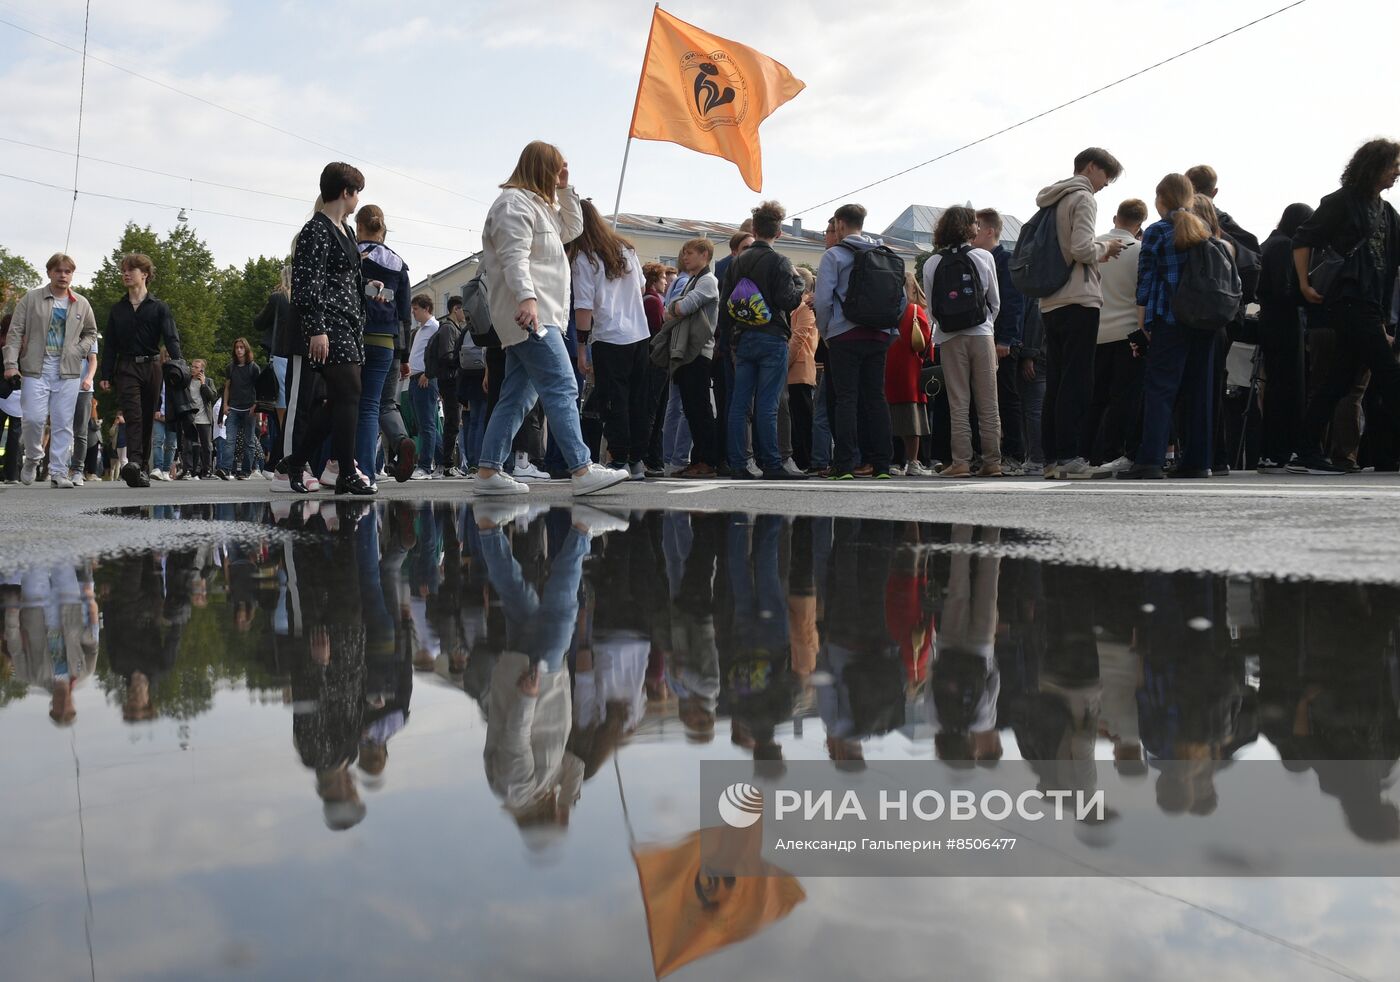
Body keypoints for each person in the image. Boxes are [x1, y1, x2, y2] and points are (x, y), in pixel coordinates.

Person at [473, 140, 628, 498]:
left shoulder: (535, 205)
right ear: (542, 167)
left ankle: (488, 470)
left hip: (535, 314)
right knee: (562, 385)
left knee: (516, 396)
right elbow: (514, 256)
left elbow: (571, 229)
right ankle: (581, 468)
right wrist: (527, 299)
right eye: (556, 168)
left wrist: (566, 188)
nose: (559, 173)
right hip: (532, 313)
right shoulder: (513, 204)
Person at [1288, 138, 1400, 475]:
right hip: (1348, 300)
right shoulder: (1340, 202)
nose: (1397, 172)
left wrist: (1382, 317)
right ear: (1375, 166)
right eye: (1393, 165)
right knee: (1389, 374)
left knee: (1339, 380)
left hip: (1369, 306)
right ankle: (1307, 449)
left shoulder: (1388, 212)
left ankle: (1305, 449)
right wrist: (1305, 283)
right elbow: (1303, 238)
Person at [1119, 175, 1228, 480]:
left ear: (1161, 199)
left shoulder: (1158, 231)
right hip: (1204, 321)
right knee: (1200, 392)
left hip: (1169, 319)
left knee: (1160, 390)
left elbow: (1147, 278)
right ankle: (1198, 461)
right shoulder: (1204, 229)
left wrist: (1143, 318)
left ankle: (1150, 460)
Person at [282, 161, 375, 495]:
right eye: (357, 193)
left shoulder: (345, 230)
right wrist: (317, 328)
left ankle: (295, 463)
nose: (358, 200)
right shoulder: (316, 231)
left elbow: (343, 277)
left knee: (338, 400)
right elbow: (308, 284)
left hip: (349, 322)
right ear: (345, 192)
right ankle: (346, 471)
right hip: (330, 322)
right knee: (349, 391)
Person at [1036, 147, 1126, 479]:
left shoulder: (1052, 198)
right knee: (1077, 381)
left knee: (1056, 382)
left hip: (1051, 299)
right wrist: (1107, 248)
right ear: (1091, 168)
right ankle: (1070, 457)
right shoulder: (1084, 198)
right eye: (1106, 176)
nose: (1106, 184)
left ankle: (1051, 459)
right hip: (1079, 297)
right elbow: (1082, 249)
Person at [815, 203, 902, 480]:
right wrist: (890, 331)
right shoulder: (883, 253)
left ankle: (845, 465)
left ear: (839, 224)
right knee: (876, 398)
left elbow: (823, 300)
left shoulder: (834, 256)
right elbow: (901, 299)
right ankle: (882, 465)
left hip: (845, 334)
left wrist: (826, 331)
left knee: (846, 400)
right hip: (879, 333)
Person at [719, 200, 806, 480]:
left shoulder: (737, 262)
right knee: (768, 403)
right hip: (771, 337)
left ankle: (739, 463)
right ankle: (771, 462)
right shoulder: (779, 261)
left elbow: (725, 304)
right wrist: (800, 284)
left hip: (742, 338)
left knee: (740, 402)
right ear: (778, 233)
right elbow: (787, 300)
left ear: (754, 229)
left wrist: (727, 342)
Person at [569, 199, 652, 479]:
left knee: (613, 401)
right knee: (638, 399)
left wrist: (581, 348)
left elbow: (583, 308)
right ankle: (638, 459)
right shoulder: (626, 249)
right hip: (639, 334)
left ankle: (619, 458)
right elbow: (641, 287)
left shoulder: (584, 258)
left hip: (608, 336)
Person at [3, 253, 99, 489]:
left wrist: (79, 350)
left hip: (67, 371)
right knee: (33, 419)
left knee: (63, 422)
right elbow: (15, 332)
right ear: (49, 273)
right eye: (58, 271)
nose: (63, 275)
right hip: (36, 368)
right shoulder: (32, 298)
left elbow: (91, 333)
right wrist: (11, 364)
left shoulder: (81, 303)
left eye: (67, 271)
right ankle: (34, 458)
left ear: (72, 275)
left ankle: (58, 470)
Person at [922, 206, 1002, 478]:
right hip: (981, 335)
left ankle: (961, 462)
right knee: (988, 401)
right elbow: (994, 301)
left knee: (959, 402)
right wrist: (985, 323)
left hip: (950, 338)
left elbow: (931, 308)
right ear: (969, 228)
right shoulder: (983, 256)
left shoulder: (932, 263)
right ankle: (992, 461)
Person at [98, 253, 182, 488]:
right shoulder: (118, 309)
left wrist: (180, 365)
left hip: (153, 366)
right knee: (133, 415)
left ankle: (141, 468)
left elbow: (171, 338)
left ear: (144, 274)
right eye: (123, 270)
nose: (125, 273)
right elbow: (111, 344)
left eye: (131, 269)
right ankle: (134, 463)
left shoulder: (159, 307)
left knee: (146, 417)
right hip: (126, 367)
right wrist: (105, 374)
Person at [355, 205, 417, 485]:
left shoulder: (353, 255)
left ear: (358, 226)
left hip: (356, 337)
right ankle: (402, 440)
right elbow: (405, 313)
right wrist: (404, 355)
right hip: (389, 341)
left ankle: (361, 468)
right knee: (386, 403)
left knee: (361, 405)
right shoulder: (398, 263)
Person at [1254, 203, 1315, 472]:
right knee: (1288, 389)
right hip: (1285, 324)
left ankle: (1272, 450)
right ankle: (1280, 450)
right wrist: (1309, 292)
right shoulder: (1283, 246)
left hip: (1271, 323)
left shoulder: (1269, 243)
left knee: (1276, 388)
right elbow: (1284, 289)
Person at [1087, 199, 1147, 471]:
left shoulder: (1094, 246)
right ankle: (1114, 451)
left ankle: (1089, 452)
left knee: (1095, 397)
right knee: (1124, 397)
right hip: (1128, 333)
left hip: (1096, 332)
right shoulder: (1140, 251)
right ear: (1140, 225)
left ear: (1115, 218)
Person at [973, 209, 1026, 474]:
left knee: (1006, 397)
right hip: (982, 338)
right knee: (981, 399)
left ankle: (1014, 453)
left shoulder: (1005, 260)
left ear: (989, 230)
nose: (972, 233)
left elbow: (1014, 301)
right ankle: (985, 453)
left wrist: (1006, 338)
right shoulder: (976, 259)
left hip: (1001, 340)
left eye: (976, 227)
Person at [665, 237, 721, 478]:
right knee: (691, 408)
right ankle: (697, 459)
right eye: (684, 253)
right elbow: (674, 309)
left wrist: (674, 305)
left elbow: (680, 308)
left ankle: (707, 460)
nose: (684, 257)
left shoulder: (708, 281)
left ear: (704, 255)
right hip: (688, 352)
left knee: (699, 409)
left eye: (689, 253)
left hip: (699, 352)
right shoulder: (694, 281)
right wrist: (675, 306)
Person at [884, 270, 932, 476]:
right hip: (911, 371)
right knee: (913, 420)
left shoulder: (885, 310)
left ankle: (893, 461)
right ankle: (913, 462)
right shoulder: (914, 310)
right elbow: (926, 344)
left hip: (888, 369)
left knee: (890, 417)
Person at [407, 294, 442, 480]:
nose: (413, 312)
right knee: (424, 424)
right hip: (415, 378)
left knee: (426, 425)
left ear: (427, 308)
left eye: (416, 309)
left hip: (425, 379)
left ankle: (425, 466)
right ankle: (442, 461)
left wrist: (429, 374)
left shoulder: (434, 327)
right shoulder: (420, 330)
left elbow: (438, 353)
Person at [788, 266, 819, 472]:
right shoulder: (797, 306)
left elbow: (798, 339)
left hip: (798, 369)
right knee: (794, 418)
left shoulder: (805, 307)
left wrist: (782, 364)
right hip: (794, 369)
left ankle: (805, 459)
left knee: (801, 418)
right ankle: (800, 458)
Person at [220, 338, 261, 478]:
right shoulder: (230, 367)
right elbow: (227, 387)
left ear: (246, 349)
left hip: (249, 409)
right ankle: (225, 469)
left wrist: (255, 405)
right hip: (234, 408)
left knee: (249, 441)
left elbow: (259, 388)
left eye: (241, 347)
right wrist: (225, 404)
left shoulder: (254, 367)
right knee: (229, 440)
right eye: (237, 347)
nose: (239, 350)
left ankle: (245, 471)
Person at [68, 333, 98, 486]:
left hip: (84, 390)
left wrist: (89, 378)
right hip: (64, 386)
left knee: (80, 432)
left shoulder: (90, 337)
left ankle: (77, 470)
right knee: (62, 429)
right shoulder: (65, 329)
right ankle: (58, 468)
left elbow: (93, 360)